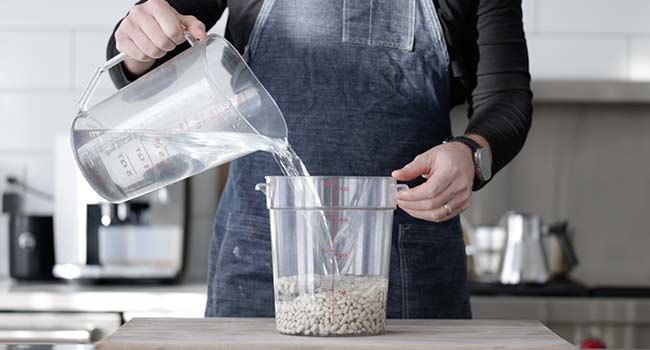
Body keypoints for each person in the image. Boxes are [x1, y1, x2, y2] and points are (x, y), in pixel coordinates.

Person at [107, 0, 532, 318]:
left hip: (407, 271)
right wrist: (140, 42)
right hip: (258, 269)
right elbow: (148, 48)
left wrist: (471, 154)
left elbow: (506, 97)